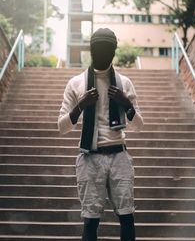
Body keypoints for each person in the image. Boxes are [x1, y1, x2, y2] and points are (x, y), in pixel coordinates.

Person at [58, 28, 143, 241]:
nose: (103, 54)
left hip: (119, 155)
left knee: (127, 217)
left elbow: (138, 125)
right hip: (89, 157)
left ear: (113, 52)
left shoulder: (124, 83)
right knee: (90, 220)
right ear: (91, 50)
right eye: (99, 49)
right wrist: (80, 106)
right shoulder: (76, 83)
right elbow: (62, 126)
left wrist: (126, 103)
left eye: (107, 50)